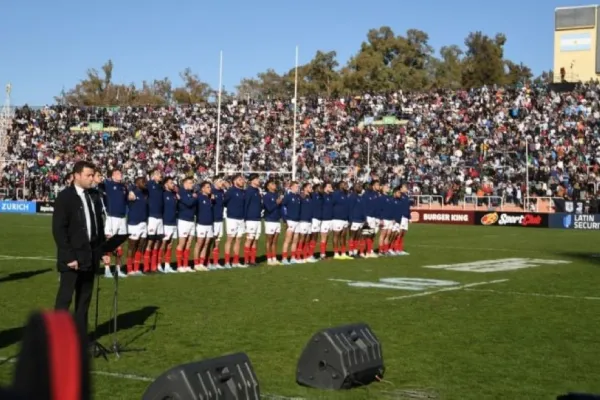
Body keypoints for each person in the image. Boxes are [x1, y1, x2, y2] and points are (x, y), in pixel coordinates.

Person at [52, 160, 110, 336]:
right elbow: (59, 229)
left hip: (90, 255)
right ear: (76, 176)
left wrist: (103, 251)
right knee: (65, 298)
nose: (92, 179)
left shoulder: (94, 196)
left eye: (93, 175)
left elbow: (98, 227)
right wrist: (69, 256)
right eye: (88, 175)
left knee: (84, 299)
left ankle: (81, 336)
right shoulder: (65, 197)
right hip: (72, 257)